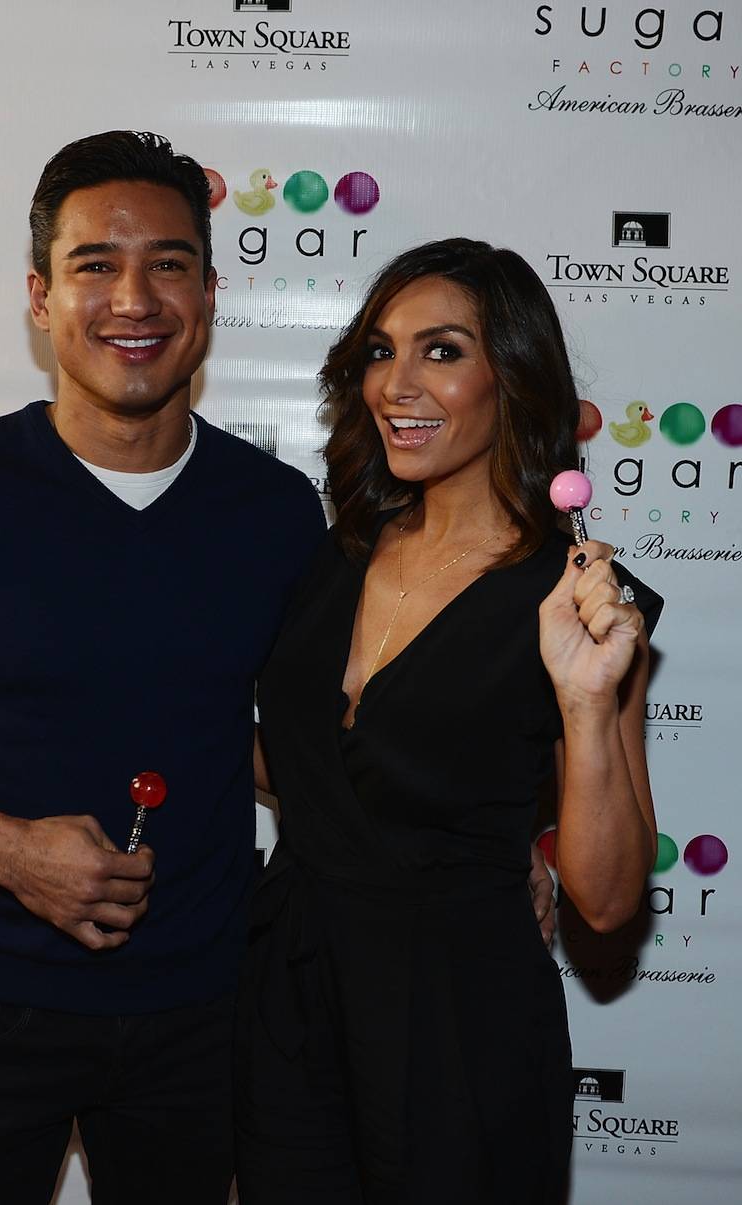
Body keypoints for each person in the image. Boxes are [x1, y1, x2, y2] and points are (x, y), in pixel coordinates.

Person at [0, 130, 329, 1205]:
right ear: (40, 297)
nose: (134, 298)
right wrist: (8, 851)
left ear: (209, 294)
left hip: (204, 1012)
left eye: (168, 263)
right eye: (95, 265)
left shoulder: (276, 514)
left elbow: (307, 745)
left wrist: (472, 843)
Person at [234, 238, 662, 1204]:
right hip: (292, 998)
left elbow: (605, 902)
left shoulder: (582, 600)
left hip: (459, 1016)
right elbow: (315, 772)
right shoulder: (336, 553)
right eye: (381, 351)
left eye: (442, 350)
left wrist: (586, 703)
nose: (397, 384)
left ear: (514, 376)